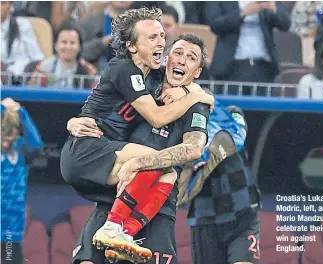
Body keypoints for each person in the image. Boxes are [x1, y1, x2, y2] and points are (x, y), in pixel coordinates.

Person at [60, 7, 213, 263]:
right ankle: (116, 229)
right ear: (133, 46)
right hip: (92, 152)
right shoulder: (129, 70)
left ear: (197, 71)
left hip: (137, 191)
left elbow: (195, 147)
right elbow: (157, 116)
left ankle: (121, 230)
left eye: (162, 36)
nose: (161, 43)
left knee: (167, 170)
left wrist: (198, 95)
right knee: (163, 166)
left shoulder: (164, 85)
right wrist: (72, 122)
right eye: (153, 38)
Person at [177, 105, 262, 264]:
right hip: (205, 218)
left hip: (243, 211)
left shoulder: (232, 113)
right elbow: (181, 194)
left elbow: (238, 135)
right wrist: (189, 164)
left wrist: (205, 151)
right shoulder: (181, 133)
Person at [205, 1, 291, 94]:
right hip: (232, 67)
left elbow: (286, 25)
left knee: (262, 107)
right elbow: (215, 24)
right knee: (231, 107)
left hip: (264, 67)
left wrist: (274, 9)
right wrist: (243, 13)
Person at [1, 98, 43, 264]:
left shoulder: (20, 151)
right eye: (3, 136)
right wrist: (2, 107)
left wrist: (21, 112)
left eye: (11, 138)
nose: (6, 142)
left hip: (11, 232)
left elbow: (36, 145)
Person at [28, 21, 97, 89]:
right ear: (55, 45)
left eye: (72, 43)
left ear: (79, 47)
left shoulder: (89, 71)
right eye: (64, 42)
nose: (68, 47)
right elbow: (31, 94)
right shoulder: (43, 68)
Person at [0, 1, 44, 81]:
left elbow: (37, 57)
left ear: (10, 5)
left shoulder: (22, 25)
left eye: (3, 3)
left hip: (20, 77)